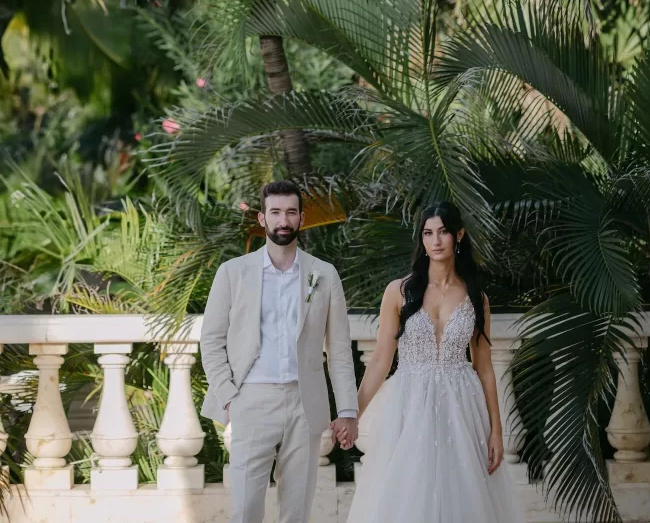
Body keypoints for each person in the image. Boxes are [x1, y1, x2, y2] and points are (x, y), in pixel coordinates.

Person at [342, 201, 525, 523]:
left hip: (462, 405)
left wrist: (497, 432)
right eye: (428, 233)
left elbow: (484, 368)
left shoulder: (476, 297)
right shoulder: (398, 291)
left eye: (443, 232)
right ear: (421, 239)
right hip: (409, 404)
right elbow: (382, 361)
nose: (436, 240)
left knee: (464, 495)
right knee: (407, 494)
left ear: (459, 235)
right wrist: (351, 414)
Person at [200, 179, 358, 523]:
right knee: (245, 510)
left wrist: (347, 409)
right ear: (262, 218)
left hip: (305, 402)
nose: (282, 220)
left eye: (290, 212)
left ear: (301, 218)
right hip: (251, 399)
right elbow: (211, 340)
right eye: (275, 212)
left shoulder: (324, 275)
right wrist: (229, 396)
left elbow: (340, 350)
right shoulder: (232, 273)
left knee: (297, 511)